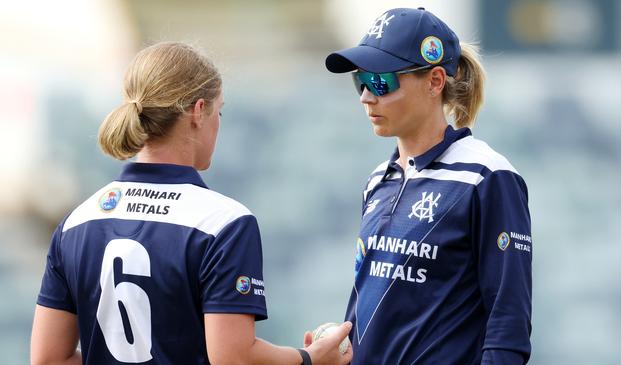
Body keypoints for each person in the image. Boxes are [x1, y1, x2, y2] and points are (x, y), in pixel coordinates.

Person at [31, 41, 353, 365]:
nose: (219, 123)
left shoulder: (76, 222)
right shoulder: (224, 223)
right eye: (219, 110)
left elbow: (47, 359)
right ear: (199, 112)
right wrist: (309, 358)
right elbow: (232, 357)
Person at [324, 7, 532, 365]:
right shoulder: (377, 181)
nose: (366, 97)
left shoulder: (487, 176)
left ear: (435, 81)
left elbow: (508, 323)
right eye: (361, 80)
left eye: (381, 81)